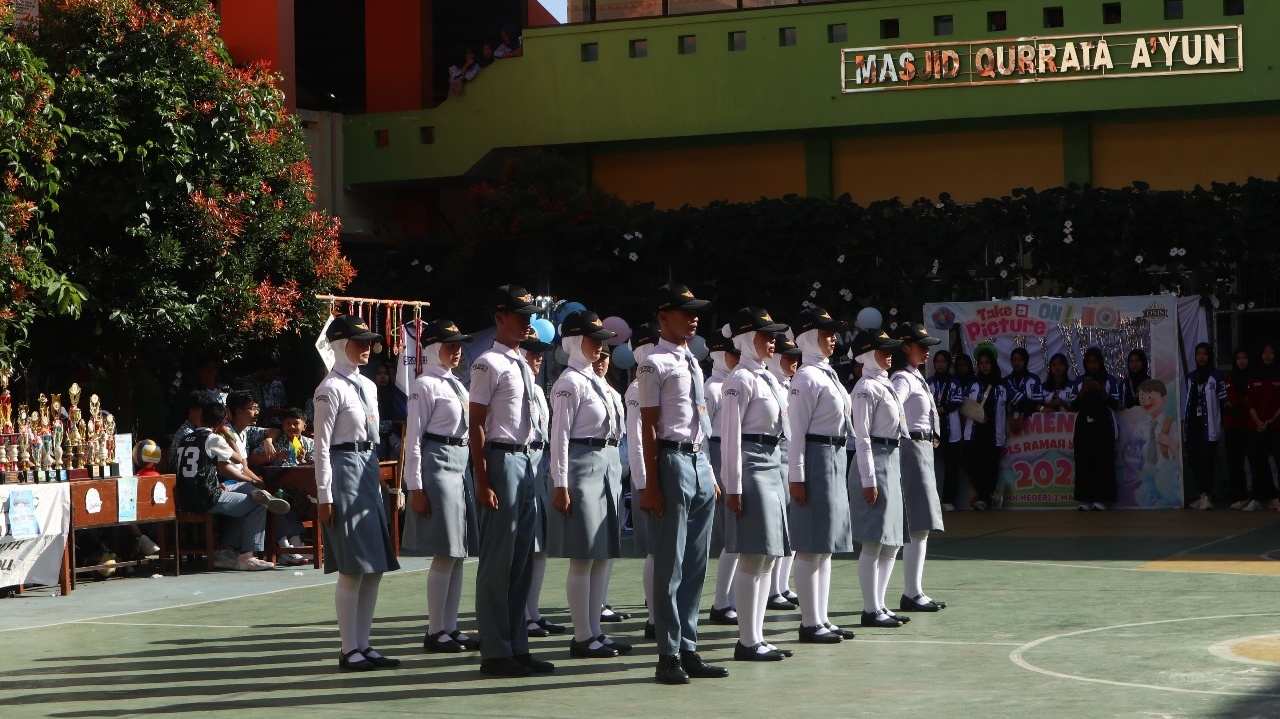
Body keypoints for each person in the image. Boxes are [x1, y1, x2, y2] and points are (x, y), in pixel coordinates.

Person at [637, 283, 729, 685]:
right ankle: (667, 653)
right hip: (671, 459)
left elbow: (699, 420)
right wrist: (650, 483)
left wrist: (708, 470)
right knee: (670, 564)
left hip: (696, 459)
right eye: (684, 310)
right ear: (663, 316)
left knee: (695, 564)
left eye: (695, 311)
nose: (693, 317)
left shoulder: (691, 359)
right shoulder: (653, 362)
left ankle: (688, 646)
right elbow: (647, 427)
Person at [469, 285, 555, 678]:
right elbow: (476, 425)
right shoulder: (488, 362)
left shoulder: (521, 363)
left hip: (527, 459)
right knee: (498, 561)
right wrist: (483, 480)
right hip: (502, 459)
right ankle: (495, 650)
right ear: (500, 316)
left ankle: (517, 644)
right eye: (520, 317)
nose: (526, 324)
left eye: (529, 318)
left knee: (521, 559)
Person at [313, 315, 402, 672]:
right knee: (352, 568)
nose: (366, 348)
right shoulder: (329, 388)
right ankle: (349, 649)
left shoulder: (368, 385)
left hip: (367, 468)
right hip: (344, 470)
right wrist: (324, 495)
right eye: (358, 341)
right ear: (338, 344)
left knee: (374, 566)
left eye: (369, 342)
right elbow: (321, 446)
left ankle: (364, 644)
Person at [546, 311, 630, 659]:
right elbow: (560, 437)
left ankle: (595, 630)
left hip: (606, 465)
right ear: (574, 342)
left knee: (603, 554)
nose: (599, 346)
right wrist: (560, 483)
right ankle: (583, 635)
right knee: (583, 556)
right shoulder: (569, 383)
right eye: (592, 340)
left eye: (601, 341)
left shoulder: (597, 382)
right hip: (582, 466)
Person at [403, 320, 482, 654]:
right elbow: (414, 438)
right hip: (438, 461)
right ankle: (436, 629)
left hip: (460, 462)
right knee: (445, 552)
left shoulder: (456, 384)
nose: (457, 350)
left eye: (459, 345)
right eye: (450, 345)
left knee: (458, 553)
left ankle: (450, 626)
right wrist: (415, 486)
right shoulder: (425, 385)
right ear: (434, 348)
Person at [719, 308, 792, 662]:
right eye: (765, 335)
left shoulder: (766, 377)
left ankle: (757, 636)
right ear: (748, 338)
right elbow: (730, 437)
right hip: (750, 463)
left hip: (772, 461)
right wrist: (733, 486)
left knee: (766, 555)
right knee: (753, 555)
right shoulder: (739, 380)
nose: (773, 340)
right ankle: (747, 640)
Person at [786, 307, 855, 645]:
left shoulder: (826, 374)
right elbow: (796, 432)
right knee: (811, 545)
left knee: (824, 544)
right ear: (809, 336)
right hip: (815, 455)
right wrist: (796, 476)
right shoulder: (805, 378)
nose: (833, 338)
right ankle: (809, 621)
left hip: (834, 454)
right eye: (826, 332)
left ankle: (821, 617)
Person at [173, 401, 287, 572]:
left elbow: (210, 468)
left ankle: (226, 551)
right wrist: (228, 435)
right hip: (206, 498)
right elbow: (239, 459)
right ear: (221, 422)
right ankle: (247, 557)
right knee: (258, 505)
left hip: (185, 497)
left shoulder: (185, 438)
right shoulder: (213, 439)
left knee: (246, 488)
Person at [849, 328, 910, 629]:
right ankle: (870, 608)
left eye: (889, 349)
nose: (888, 353)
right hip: (875, 460)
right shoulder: (864, 388)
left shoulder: (884, 384)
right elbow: (861, 436)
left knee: (892, 541)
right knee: (874, 541)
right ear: (865, 354)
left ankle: (881, 604)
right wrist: (868, 478)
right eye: (881, 349)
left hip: (892, 458)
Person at [890, 323, 946, 612]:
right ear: (905, 347)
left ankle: (914, 590)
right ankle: (912, 592)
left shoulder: (914, 377)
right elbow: (890, 409)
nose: (926, 351)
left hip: (921, 448)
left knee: (920, 524)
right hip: (912, 448)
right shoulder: (903, 378)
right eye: (920, 346)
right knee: (918, 523)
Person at [520, 337, 567, 639]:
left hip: (539, 461)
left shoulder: (538, 390)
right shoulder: (515, 387)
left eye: (540, 356)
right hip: (520, 457)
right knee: (524, 546)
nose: (537, 360)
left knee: (539, 548)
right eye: (532, 354)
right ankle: (521, 613)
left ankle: (532, 611)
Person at [625, 322, 661, 639]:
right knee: (654, 550)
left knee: (665, 550)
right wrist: (644, 483)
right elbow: (636, 440)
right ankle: (653, 616)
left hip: (664, 476)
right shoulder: (638, 388)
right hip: (649, 480)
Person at [704, 332, 740, 626]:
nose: (737, 358)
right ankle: (721, 600)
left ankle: (731, 597)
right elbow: (703, 436)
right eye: (732, 353)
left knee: (738, 534)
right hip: (717, 453)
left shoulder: (733, 384)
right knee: (729, 535)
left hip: (732, 451)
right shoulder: (713, 388)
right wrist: (711, 472)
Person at [594, 344, 631, 626]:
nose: (602, 362)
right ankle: (589, 614)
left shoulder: (613, 392)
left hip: (614, 466)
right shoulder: (574, 384)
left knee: (610, 541)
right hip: (591, 466)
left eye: (606, 357)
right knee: (591, 546)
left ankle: (601, 601)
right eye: (598, 356)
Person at [764, 333, 801, 611]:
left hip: (792, 458)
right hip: (776, 458)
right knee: (778, 526)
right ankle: (773, 588)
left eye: (796, 357)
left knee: (792, 525)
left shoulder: (790, 385)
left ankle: (783, 585)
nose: (794, 363)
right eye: (788, 357)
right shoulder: (771, 384)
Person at [1072, 347, 1119, 511]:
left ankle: (1102, 498)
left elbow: (1117, 403)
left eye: (1095, 362)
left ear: (1100, 362)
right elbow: (1072, 405)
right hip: (1084, 425)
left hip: (1103, 425)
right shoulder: (1079, 381)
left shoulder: (1109, 380)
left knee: (1103, 460)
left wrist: (1100, 391)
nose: (1092, 366)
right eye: (1089, 362)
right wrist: (1083, 391)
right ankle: (1085, 499)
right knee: (1084, 460)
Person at [1225, 349, 1272, 511]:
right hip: (1233, 426)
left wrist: (1243, 400)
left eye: (1245, 357)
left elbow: (1254, 399)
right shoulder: (1231, 377)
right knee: (1235, 462)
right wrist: (1243, 399)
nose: (1242, 361)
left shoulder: (1255, 376)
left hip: (1252, 425)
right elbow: (1231, 399)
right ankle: (1240, 496)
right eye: (1238, 358)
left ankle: (1260, 496)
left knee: (1256, 461)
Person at [1184, 342, 1227, 512]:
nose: (1201, 357)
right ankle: (1202, 494)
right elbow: (1187, 402)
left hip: (1209, 426)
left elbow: (1223, 402)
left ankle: (1208, 495)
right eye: (1198, 354)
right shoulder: (1190, 377)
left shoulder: (1216, 376)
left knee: (1208, 461)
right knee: (1195, 460)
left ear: (1209, 356)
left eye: (1204, 354)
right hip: (1194, 425)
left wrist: (1222, 424)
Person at [965, 347, 1009, 511]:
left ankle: (987, 496)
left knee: (992, 465)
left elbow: (1008, 407)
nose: (984, 366)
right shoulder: (973, 384)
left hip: (994, 432)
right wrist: (977, 415)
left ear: (993, 364)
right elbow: (964, 405)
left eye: (987, 363)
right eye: (981, 363)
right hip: (976, 432)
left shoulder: (1002, 385)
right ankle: (981, 496)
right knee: (976, 465)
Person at [1247, 342, 1280, 512]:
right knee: (1258, 462)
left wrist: (1271, 420)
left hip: (1276, 427)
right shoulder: (1254, 374)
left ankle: (1277, 499)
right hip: (1257, 427)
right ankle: (1260, 497)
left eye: (1271, 352)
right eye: (1265, 352)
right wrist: (1259, 422)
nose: (1268, 355)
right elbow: (1250, 402)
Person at [940, 353, 975, 510]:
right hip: (949, 430)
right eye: (959, 365)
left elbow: (956, 403)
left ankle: (977, 497)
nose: (962, 368)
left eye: (964, 365)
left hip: (968, 429)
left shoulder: (974, 382)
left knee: (969, 465)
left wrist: (943, 407)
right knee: (950, 466)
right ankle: (949, 499)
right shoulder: (949, 382)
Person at [1005, 347, 1044, 423]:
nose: (1017, 363)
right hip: (1011, 425)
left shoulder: (1034, 379)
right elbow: (1009, 402)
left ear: (1025, 361)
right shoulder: (1006, 381)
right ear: (1011, 362)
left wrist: (1040, 408)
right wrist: (1034, 405)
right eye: (1014, 360)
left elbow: (1039, 403)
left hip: (1033, 424)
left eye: (1020, 360)